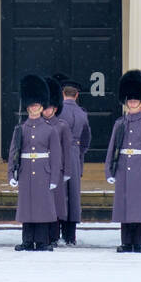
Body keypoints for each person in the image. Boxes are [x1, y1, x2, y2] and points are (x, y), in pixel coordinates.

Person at [104, 70, 141, 253]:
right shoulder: (119, 123)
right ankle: (126, 242)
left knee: (139, 207)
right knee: (124, 207)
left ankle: (138, 242)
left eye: (135, 100)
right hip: (123, 168)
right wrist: (110, 171)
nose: (132, 103)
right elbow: (112, 149)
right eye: (129, 100)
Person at [9, 74, 60, 251]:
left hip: (42, 171)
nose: (33, 108)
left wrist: (54, 178)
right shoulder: (21, 129)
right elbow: (13, 153)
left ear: (42, 106)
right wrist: (11, 174)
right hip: (25, 171)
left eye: (37, 105)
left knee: (42, 206)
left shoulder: (50, 130)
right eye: (31, 105)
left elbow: (55, 156)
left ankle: (43, 240)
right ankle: (27, 240)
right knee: (26, 206)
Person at [53, 74, 90, 246]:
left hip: (58, 152)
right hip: (74, 153)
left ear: (62, 94)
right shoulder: (82, 113)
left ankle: (56, 229)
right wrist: (79, 152)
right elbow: (87, 138)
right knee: (73, 195)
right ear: (76, 95)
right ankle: (70, 234)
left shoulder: (58, 111)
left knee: (58, 193)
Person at [41, 76, 73, 248]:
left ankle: (54, 234)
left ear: (55, 108)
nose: (47, 111)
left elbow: (66, 151)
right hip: (39, 169)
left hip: (57, 170)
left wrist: (67, 171)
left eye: (50, 107)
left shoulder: (62, 126)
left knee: (55, 204)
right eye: (44, 107)